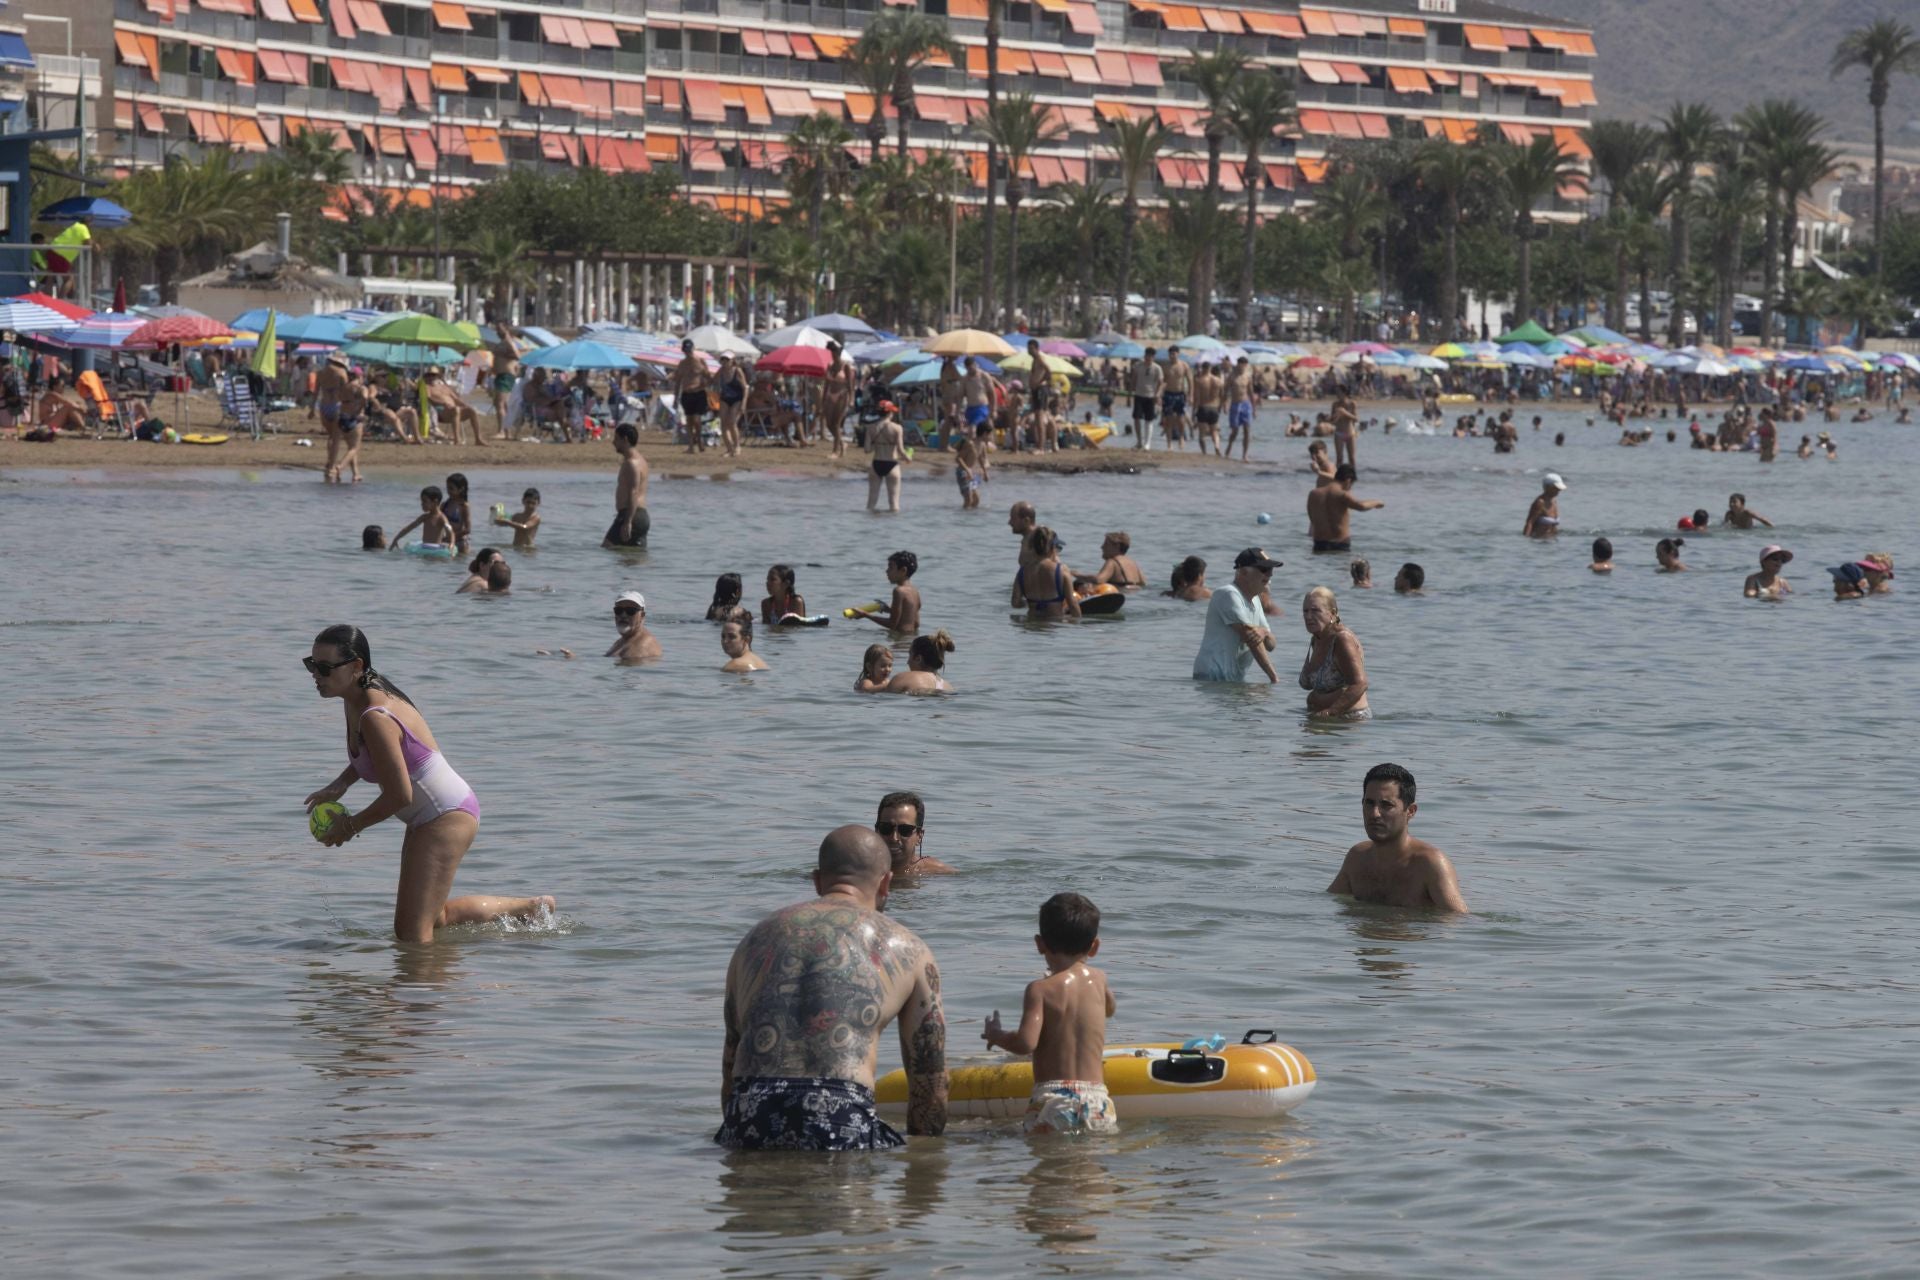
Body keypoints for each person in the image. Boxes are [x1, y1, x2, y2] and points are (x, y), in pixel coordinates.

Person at [302, 625, 554, 942]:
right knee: (433, 919)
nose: (315, 674)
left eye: (324, 668)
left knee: (412, 936)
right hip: (430, 815)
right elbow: (378, 757)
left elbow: (399, 795)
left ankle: (432, 990)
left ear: (356, 667)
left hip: (445, 815)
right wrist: (341, 783)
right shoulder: (353, 697)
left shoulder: (375, 715)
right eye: (311, 665)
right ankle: (527, 909)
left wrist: (350, 826)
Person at [716, 825, 947, 1150]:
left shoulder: (753, 941)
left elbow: (731, 1063)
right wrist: (926, 1163)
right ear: (886, 883)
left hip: (751, 1106)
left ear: (816, 880)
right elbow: (930, 1080)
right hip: (839, 1110)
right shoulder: (908, 948)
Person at [982, 892, 1118, 1136]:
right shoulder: (1099, 979)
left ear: (1039, 943)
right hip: (1097, 1100)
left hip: (1054, 1099)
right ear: (1095, 946)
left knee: (1046, 1168)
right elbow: (1110, 1009)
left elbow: (1026, 1043)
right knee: (1091, 1171)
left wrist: (997, 1035)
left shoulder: (1040, 990)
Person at [1327, 763, 1468, 913]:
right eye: (1369, 803)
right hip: (1363, 935)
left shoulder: (1430, 864)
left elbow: (1459, 922)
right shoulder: (1357, 858)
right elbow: (1325, 903)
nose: (1375, 814)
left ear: (1411, 811)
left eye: (1386, 805)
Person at [1192, 548, 1281, 683]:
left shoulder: (1255, 600)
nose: (1270, 575)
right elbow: (1251, 638)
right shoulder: (1228, 594)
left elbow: (1271, 645)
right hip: (1211, 676)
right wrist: (1274, 678)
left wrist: (1264, 633)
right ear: (1244, 572)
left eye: (1271, 570)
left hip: (1233, 679)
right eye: (1264, 570)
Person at [1299, 586, 1370, 719]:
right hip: (1322, 720)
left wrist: (1330, 712)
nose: (1308, 616)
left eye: (1315, 611)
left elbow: (1360, 684)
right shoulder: (1317, 638)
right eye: (1305, 611)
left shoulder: (1342, 640)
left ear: (1332, 613)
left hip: (1348, 721)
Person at [1306, 464, 1384, 553]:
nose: (1349, 488)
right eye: (1351, 485)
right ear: (1348, 480)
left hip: (1319, 544)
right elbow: (1361, 506)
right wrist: (1377, 502)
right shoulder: (1342, 494)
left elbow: (1311, 517)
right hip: (1340, 545)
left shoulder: (1313, 494)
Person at [875, 791, 954, 877]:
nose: (894, 838)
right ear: (876, 831)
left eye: (905, 830)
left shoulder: (939, 872)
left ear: (919, 836)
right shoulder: (860, 869)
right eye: (886, 828)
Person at [1017, 527, 1081, 621]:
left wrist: (1031, 603)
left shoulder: (1023, 571)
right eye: (1057, 548)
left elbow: (1015, 602)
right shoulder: (1062, 569)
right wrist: (1079, 623)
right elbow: (1072, 603)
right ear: (1052, 547)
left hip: (1031, 623)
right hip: (1054, 624)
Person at [603, 423, 650, 548]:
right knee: (633, 559)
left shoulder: (632, 464)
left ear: (625, 440)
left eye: (616, 439)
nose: (613, 442)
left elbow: (633, 492)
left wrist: (628, 521)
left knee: (607, 547)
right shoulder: (641, 460)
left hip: (631, 515)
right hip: (640, 516)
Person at [851, 550, 922, 632]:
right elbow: (916, 623)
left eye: (891, 567)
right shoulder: (914, 591)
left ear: (903, 570)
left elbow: (892, 624)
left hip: (900, 642)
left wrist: (866, 615)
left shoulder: (899, 591)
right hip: (910, 639)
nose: (887, 571)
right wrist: (889, 610)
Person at [867, 400, 907, 512]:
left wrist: (878, 444)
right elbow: (901, 450)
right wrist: (908, 458)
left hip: (876, 464)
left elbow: (867, 450)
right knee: (894, 504)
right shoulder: (897, 428)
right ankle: (893, 528)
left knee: (871, 502)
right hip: (892, 464)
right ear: (890, 413)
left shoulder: (870, 428)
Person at [673, 339, 712, 453]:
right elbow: (678, 381)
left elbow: (709, 378)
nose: (688, 353)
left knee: (696, 419)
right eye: (686, 351)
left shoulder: (700, 361)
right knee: (689, 420)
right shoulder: (682, 364)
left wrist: (702, 385)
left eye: (689, 350)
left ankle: (699, 439)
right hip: (686, 393)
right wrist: (676, 398)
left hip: (698, 393)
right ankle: (691, 445)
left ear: (693, 349)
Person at [886, 631, 955, 694]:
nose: (908, 662)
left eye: (910, 655)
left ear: (918, 659)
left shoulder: (902, 679)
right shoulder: (948, 687)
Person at [818, 342, 857, 457]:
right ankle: (842, 443)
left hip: (842, 395)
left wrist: (851, 399)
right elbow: (825, 384)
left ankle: (835, 451)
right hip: (830, 395)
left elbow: (850, 385)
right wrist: (823, 399)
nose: (832, 356)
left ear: (836, 353)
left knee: (836, 424)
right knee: (829, 424)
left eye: (833, 353)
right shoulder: (830, 366)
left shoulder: (846, 366)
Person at [314, 355, 348, 482]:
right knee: (336, 438)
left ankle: (329, 462)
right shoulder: (341, 372)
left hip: (324, 406)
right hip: (337, 405)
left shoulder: (321, 373)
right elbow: (346, 391)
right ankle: (332, 466)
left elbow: (316, 391)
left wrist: (312, 408)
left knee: (331, 437)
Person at [389, 484, 453, 551]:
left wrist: (451, 543)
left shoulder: (442, 518)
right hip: (424, 548)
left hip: (436, 552)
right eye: (422, 501)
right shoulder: (424, 517)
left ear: (435, 502)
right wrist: (396, 538)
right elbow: (409, 528)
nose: (422, 504)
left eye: (424, 501)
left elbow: (451, 532)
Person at [607, 590, 662, 662]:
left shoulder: (641, 647)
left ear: (642, 615)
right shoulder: (624, 640)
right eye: (619, 610)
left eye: (630, 611)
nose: (623, 615)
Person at [713, 351, 748, 458]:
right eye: (723, 359)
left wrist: (744, 403)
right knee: (723, 424)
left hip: (737, 399)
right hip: (725, 398)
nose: (724, 362)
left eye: (727, 360)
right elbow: (714, 380)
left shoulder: (737, 371)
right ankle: (729, 449)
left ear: (732, 361)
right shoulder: (721, 371)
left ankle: (737, 446)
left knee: (732, 423)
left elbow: (745, 388)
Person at [1224, 357, 1256, 462]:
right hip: (1235, 404)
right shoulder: (1231, 376)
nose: (1242, 366)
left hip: (1246, 404)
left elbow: (1251, 392)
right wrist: (1225, 404)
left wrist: (1254, 408)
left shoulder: (1248, 376)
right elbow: (1226, 392)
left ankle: (1245, 455)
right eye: (1240, 364)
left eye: (1244, 364)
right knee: (1235, 430)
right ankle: (1229, 448)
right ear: (1238, 364)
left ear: (1246, 365)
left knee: (1247, 430)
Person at [1160, 346, 1192, 449]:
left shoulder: (1184, 365)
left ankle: (1181, 437)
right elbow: (1163, 382)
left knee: (1181, 419)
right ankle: (1169, 443)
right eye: (1170, 354)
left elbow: (1190, 381)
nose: (1172, 356)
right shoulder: (1166, 366)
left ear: (1178, 354)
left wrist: (1191, 395)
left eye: (1174, 354)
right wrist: (1159, 394)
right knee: (1168, 419)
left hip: (1180, 394)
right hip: (1168, 394)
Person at [1130, 348, 1162, 448]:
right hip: (1139, 394)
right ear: (1144, 356)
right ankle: (1139, 441)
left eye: (1150, 356)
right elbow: (1133, 379)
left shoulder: (1157, 368)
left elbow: (1161, 382)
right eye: (1147, 355)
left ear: (1153, 357)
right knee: (1136, 418)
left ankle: (1147, 443)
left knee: (1149, 419)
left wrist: (1158, 394)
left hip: (1150, 396)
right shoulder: (1138, 366)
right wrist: (1130, 392)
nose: (1148, 358)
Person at [1191, 361, 1224, 456]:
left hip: (1203, 407)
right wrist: (1220, 407)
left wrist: (1193, 412)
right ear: (1210, 369)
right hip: (1214, 408)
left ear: (1203, 368)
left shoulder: (1199, 380)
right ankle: (1217, 447)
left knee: (1202, 433)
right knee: (1214, 431)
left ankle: (1204, 452)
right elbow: (1222, 396)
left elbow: (1196, 397)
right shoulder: (1218, 381)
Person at [953, 423, 988, 509]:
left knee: (976, 500)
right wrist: (967, 470)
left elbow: (980, 459)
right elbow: (958, 458)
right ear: (985, 433)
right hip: (963, 472)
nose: (990, 437)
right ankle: (962, 519)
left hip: (973, 474)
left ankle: (971, 520)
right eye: (989, 434)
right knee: (968, 499)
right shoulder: (970, 444)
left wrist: (985, 472)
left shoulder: (982, 445)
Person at [1522, 473, 1566, 538]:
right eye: (1556, 488)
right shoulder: (1539, 503)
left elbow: (1553, 525)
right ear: (1548, 487)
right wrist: (1526, 540)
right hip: (1540, 541)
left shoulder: (1554, 501)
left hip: (1552, 540)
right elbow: (1529, 523)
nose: (1558, 491)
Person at [440, 473, 473, 555]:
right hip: (446, 541)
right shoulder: (444, 505)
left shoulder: (464, 506)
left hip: (460, 544)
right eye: (447, 488)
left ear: (461, 489)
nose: (448, 491)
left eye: (451, 488)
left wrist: (450, 538)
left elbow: (467, 529)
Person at [1330, 389, 1359, 470]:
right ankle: (1338, 475)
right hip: (1339, 433)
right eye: (1337, 393)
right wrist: (1335, 417)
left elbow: (1356, 418)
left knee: (1352, 458)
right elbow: (1332, 421)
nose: (1337, 395)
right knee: (1339, 457)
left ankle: (1352, 475)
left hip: (1350, 433)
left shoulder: (1352, 403)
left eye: (1339, 392)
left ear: (1345, 393)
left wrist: (1345, 413)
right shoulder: (1335, 404)